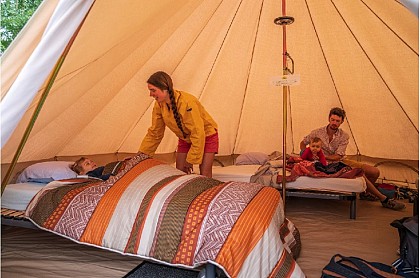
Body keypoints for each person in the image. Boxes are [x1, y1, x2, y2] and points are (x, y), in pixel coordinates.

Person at [300, 107, 405, 210]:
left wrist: (321, 155)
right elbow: (303, 143)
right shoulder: (317, 133)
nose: (334, 123)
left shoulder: (344, 136)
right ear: (329, 119)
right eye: (332, 120)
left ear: (342, 122)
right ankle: (384, 199)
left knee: (374, 172)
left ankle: (366, 194)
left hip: (339, 160)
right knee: (359, 174)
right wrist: (306, 155)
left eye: (337, 121)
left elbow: (338, 156)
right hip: (328, 164)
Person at [139, 71, 219, 178]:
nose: (150, 94)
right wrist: (141, 156)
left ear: (165, 88)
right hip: (185, 138)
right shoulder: (159, 105)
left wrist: (191, 159)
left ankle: (208, 193)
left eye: (153, 90)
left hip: (206, 136)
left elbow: (198, 133)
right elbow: (155, 133)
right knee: (180, 173)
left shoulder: (187, 102)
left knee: (205, 174)